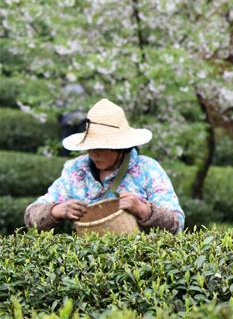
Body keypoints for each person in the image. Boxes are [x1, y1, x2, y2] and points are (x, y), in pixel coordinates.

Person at [24, 98, 184, 233]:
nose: (94, 154)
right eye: (91, 147)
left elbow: (177, 223)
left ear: (120, 147)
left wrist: (143, 210)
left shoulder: (148, 170)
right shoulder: (75, 171)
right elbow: (31, 217)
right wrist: (57, 211)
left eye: (101, 148)